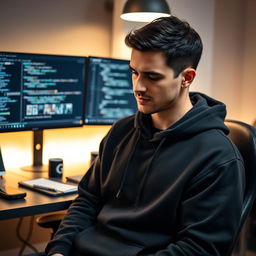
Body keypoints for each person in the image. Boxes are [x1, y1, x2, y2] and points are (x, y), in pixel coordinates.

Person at [46, 16, 245, 256]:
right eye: (134, 72)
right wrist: (58, 250)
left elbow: (198, 249)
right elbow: (87, 201)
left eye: (152, 77)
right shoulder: (121, 131)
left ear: (187, 78)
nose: (138, 87)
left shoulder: (218, 157)